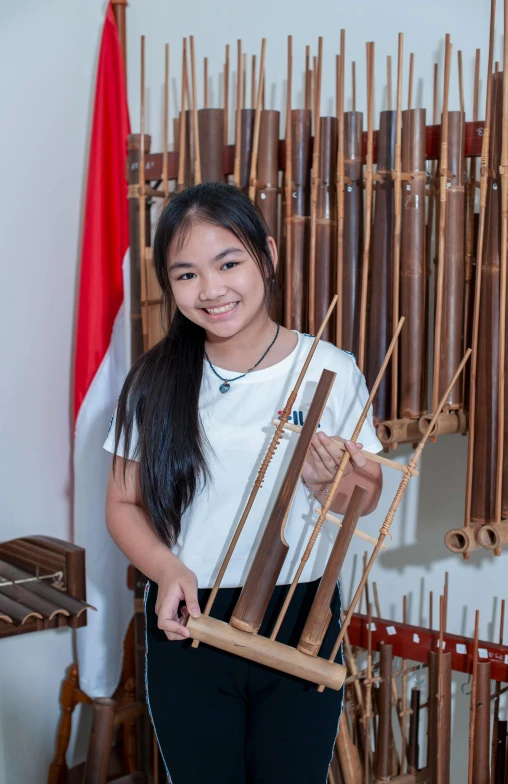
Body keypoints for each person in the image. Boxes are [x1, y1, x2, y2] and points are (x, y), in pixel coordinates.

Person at [104, 182, 383, 783]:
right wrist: (167, 570)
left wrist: (328, 484)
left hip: (300, 616)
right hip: (190, 617)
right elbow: (123, 503)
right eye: (186, 274)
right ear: (169, 285)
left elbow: (367, 494)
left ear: (268, 256)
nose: (211, 290)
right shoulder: (154, 381)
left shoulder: (329, 369)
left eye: (228, 263)